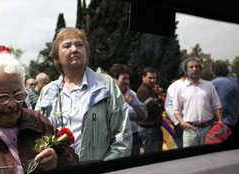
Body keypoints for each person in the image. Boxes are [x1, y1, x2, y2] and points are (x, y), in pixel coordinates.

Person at [35, 28, 132, 161]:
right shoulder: (48, 91)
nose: (74, 49)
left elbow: (122, 134)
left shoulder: (105, 84)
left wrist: (105, 169)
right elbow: (36, 134)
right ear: (57, 57)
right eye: (67, 46)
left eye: (79, 45)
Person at [172, 57, 224, 147]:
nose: (194, 69)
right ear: (186, 70)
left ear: (200, 69)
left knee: (208, 157)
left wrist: (220, 122)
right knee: (190, 159)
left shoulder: (209, 85)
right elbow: (176, 110)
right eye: (191, 67)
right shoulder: (180, 88)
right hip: (190, 131)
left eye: (197, 66)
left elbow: (216, 106)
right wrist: (182, 123)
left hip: (208, 129)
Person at [108, 63, 148, 156]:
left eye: (128, 79)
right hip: (114, 142)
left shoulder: (132, 94)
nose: (127, 82)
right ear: (114, 79)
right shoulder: (106, 95)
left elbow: (144, 116)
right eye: (123, 78)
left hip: (133, 139)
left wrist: (130, 101)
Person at [136, 67, 164, 154]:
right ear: (143, 77)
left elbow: (161, 105)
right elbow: (155, 110)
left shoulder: (152, 91)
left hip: (154, 130)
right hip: (148, 130)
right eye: (150, 78)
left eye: (154, 78)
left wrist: (160, 104)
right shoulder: (143, 91)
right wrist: (160, 105)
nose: (153, 80)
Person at [210, 60, 239, 128]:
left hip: (222, 122)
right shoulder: (234, 80)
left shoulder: (214, 83)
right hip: (234, 119)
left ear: (214, 71)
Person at [165, 72, 187, 147]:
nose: (195, 70)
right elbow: (168, 106)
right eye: (191, 67)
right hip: (182, 125)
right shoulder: (174, 86)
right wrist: (178, 122)